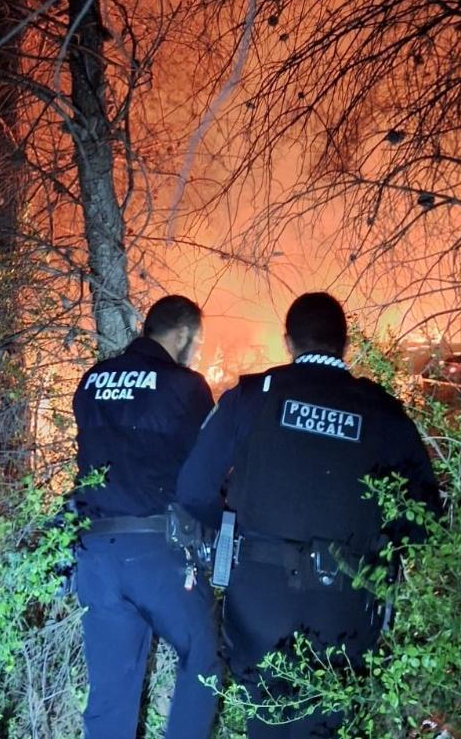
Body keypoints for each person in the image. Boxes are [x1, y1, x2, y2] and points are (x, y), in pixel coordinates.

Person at [176, 292, 443, 738]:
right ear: (346, 345)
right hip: (345, 609)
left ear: (288, 341)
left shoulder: (250, 398)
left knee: (268, 721)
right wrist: (376, 541)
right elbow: (424, 522)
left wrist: (229, 533)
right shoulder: (383, 413)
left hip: (259, 604)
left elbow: (193, 491)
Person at [71, 295, 222, 739]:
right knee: (205, 652)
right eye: (197, 343)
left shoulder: (92, 380)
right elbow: (207, 470)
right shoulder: (186, 387)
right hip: (155, 552)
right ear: (182, 335)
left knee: (109, 697)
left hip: (94, 556)